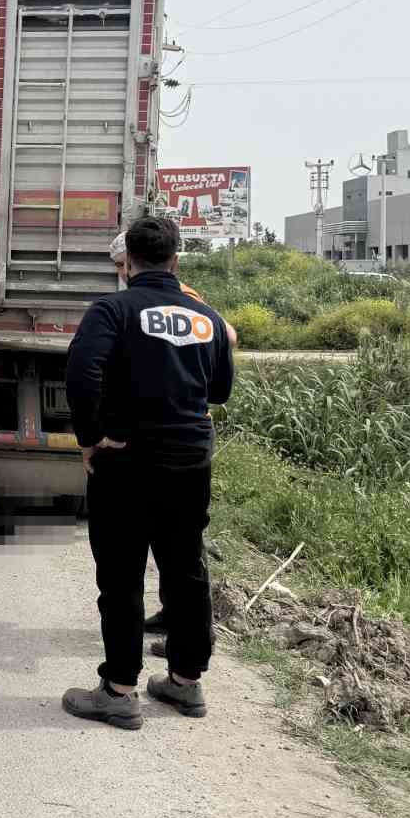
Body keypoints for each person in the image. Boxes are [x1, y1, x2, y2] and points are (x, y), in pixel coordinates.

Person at [62, 216, 234, 730]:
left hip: (127, 460)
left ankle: (119, 690)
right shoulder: (205, 316)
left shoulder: (111, 311)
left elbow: (80, 373)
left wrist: (91, 438)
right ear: (176, 259)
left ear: (128, 262)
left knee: (121, 573)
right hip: (190, 459)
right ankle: (185, 682)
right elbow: (220, 390)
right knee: (185, 568)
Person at [108, 228, 236, 637]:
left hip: (180, 433)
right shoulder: (147, 297)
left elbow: (226, 334)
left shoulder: (183, 297)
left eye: (120, 265)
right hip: (188, 438)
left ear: (132, 260)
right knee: (177, 544)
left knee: (181, 549)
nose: (119, 273)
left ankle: (187, 628)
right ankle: (178, 626)